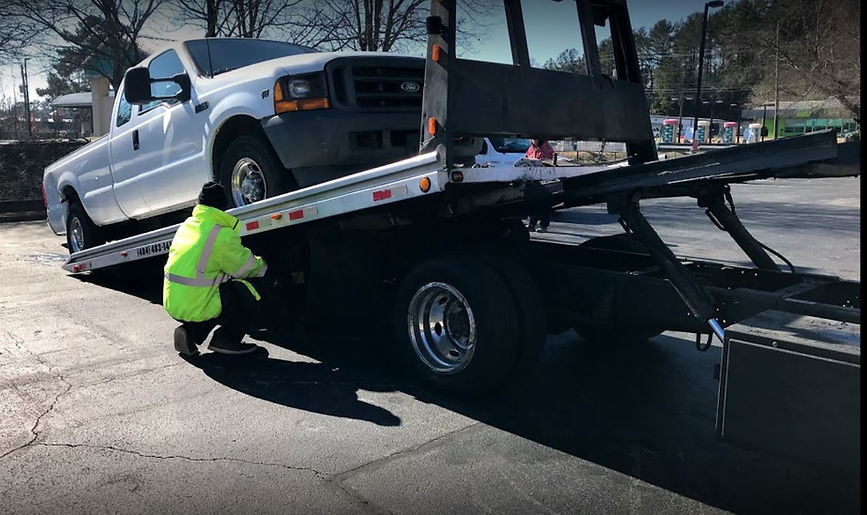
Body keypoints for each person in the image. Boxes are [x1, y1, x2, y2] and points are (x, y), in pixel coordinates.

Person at [164, 181, 270, 356]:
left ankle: (190, 332)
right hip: (197, 303)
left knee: (210, 292)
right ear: (223, 206)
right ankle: (227, 339)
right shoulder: (221, 234)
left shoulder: (186, 226)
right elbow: (246, 268)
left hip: (175, 303)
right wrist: (265, 264)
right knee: (243, 291)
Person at [525, 139, 555, 232]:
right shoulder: (531, 149)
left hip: (544, 180)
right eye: (532, 139)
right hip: (533, 179)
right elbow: (526, 158)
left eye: (535, 139)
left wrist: (541, 162)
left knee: (544, 204)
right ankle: (531, 224)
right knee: (532, 203)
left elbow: (551, 162)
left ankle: (543, 226)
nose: (533, 141)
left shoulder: (547, 149)